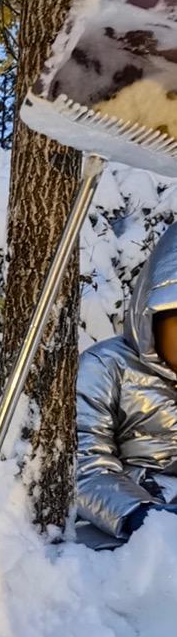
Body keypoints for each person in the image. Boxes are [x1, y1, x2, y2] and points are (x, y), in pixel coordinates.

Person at [76, 223, 177, 549]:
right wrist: (141, 516)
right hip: (126, 525)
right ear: (152, 318)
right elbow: (83, 464)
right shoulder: (106, 367)